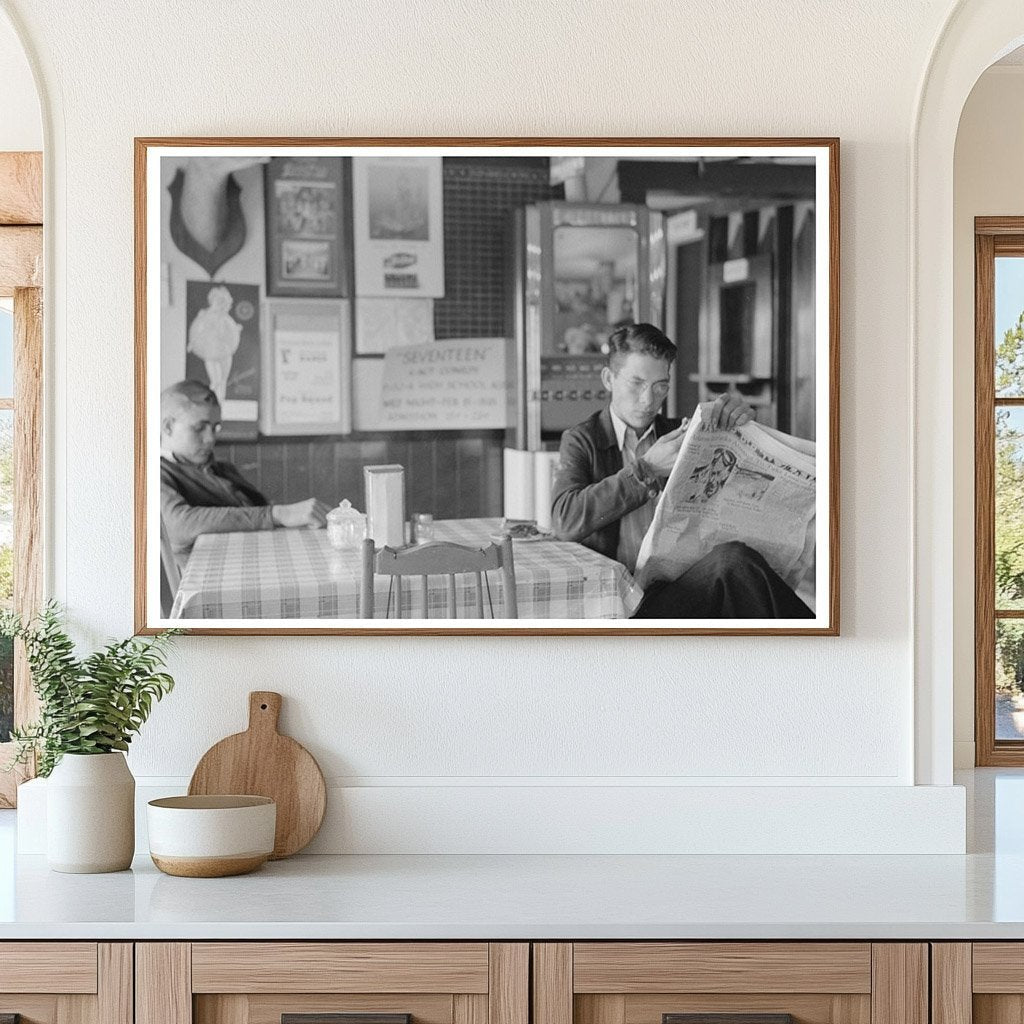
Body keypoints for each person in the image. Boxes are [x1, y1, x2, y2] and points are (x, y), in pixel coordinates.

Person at [550, 323, 813, 619]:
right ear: (609, 379)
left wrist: (744, 429)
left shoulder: (684, 433)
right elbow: (565, 519)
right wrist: (646, 469)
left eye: (660, 385)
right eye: (636, 383)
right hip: (620, 601)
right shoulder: (582, 439)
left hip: (675, 587)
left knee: (737, 564)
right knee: (736, 570)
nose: (648, 400)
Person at [160, 380, 329, 564]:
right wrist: (279, 514)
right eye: (199, 428)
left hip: (254, 561)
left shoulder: (222, 469)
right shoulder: (156, 474)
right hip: (214, 580)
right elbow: (178, 527)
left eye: (215, 427)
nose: (210, 438)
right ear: (168, 427)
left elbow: (259, 510)